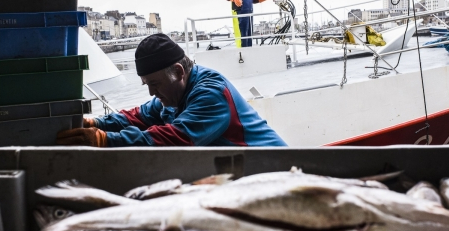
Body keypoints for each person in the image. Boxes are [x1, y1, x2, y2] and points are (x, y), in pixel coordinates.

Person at [57, 34, 287, 147]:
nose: (151, 93)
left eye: (154, 84)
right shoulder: (174, 95)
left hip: (274, 172)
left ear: (178, 71)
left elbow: (177, 137)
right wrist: (95, 124)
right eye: (147, 85)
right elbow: (139, 115)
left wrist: (105, 140)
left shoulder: (211, 93)